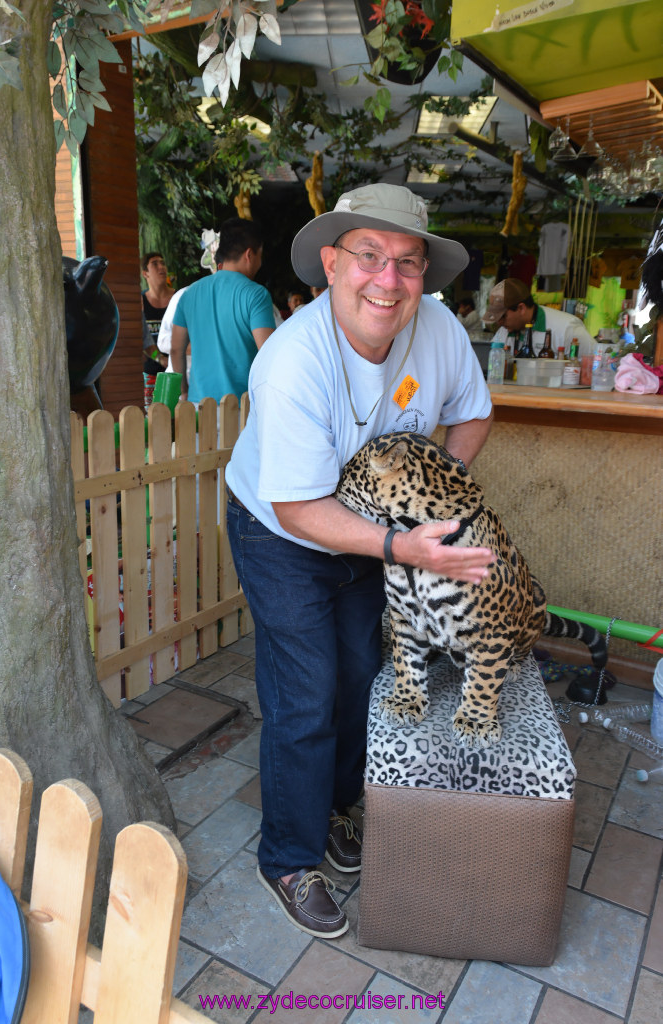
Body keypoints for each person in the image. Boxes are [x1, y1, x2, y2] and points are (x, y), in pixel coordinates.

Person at [224, 183, 495, 939]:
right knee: (306, 692)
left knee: (358, 680)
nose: (388, 279)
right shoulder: (291, 361)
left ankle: (332, 812)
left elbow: (474, 413)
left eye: (407, 263)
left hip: (373, 536)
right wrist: (398, 545)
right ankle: (286, 856)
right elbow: (295, 509)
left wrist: (434, 500)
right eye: (369, 257)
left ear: (424, 277)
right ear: (333, 265)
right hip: (280, 532)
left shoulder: (437, 331)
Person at [170, 219, 276, 403]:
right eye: (260, 255)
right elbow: (269, 354)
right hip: (242, 409)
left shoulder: (189, 294)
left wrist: (185, 392)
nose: (260, 263)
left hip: (198, 408)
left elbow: (175, 349)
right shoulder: (256, 295)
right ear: (249, 255)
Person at [483, 278, 594, 357]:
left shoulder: (567, 329)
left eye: (503, 316)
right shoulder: (505, 330)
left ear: (521, 308)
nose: (499, 323)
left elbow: (596, 363)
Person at [141, 252, 173, 408]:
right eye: (155, 264)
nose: (161, 267)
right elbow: (142, 340)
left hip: (177, 372)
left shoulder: (178, 298)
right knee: (153, 421)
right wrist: (160, 359)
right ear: (145, 273)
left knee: (180, 420)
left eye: (163, 263)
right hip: (151, 374)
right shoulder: (140, 302)